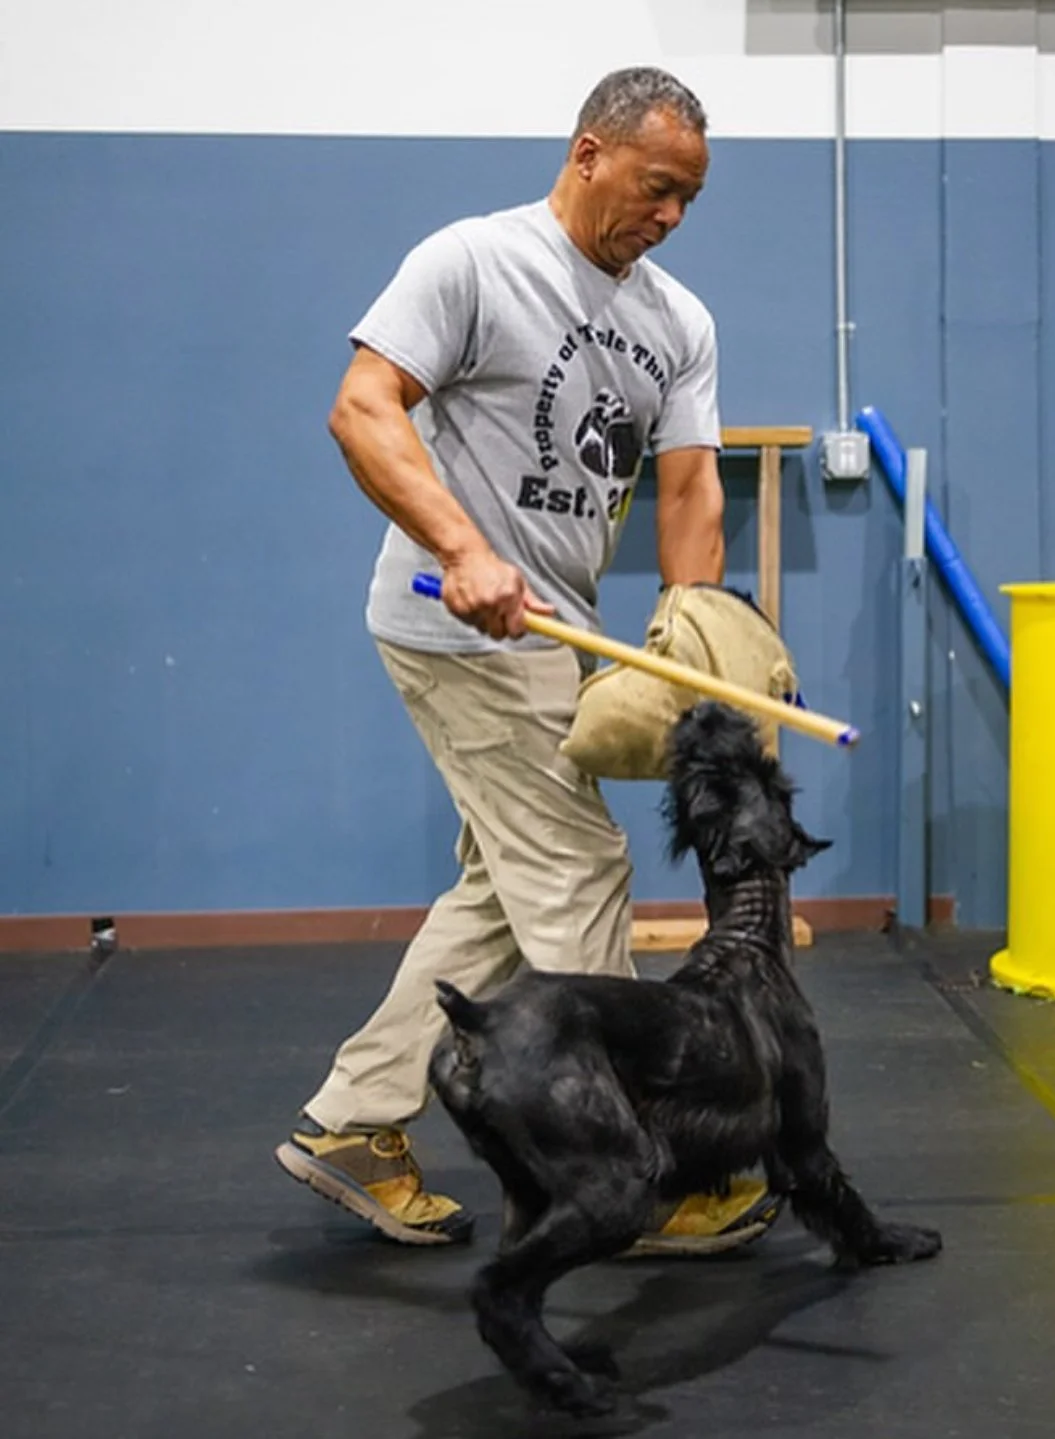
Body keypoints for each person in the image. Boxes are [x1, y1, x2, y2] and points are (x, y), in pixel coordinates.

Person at [274, 66, 780, 1254]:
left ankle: (355, 1117)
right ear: (589, 152)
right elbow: (363, 405)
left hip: (555, 626)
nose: (668, 216)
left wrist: (693, 632)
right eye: (656, 187)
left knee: (502, 888)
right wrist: (463, 545)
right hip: (453, 621)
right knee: (577, 869)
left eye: (689, 201)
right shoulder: (473, 261)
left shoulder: (678, 321)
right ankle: (636, 1163)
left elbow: (692, 480)